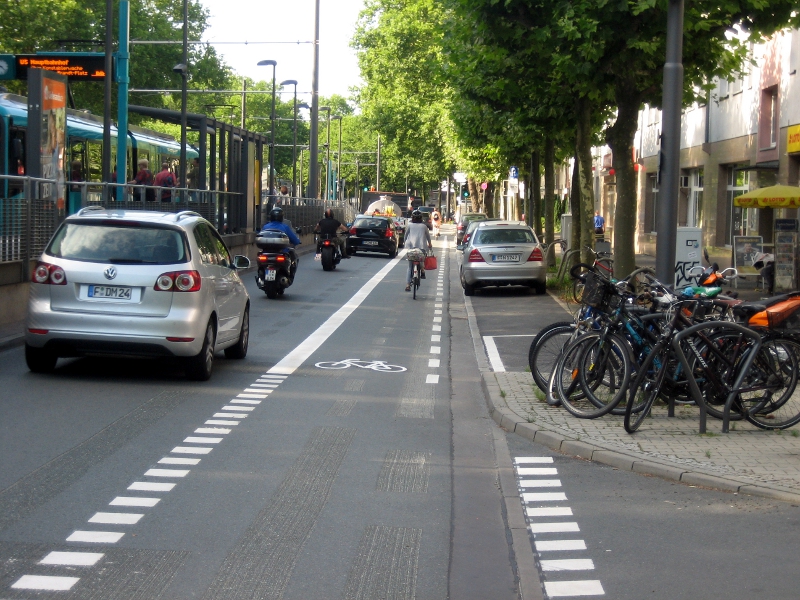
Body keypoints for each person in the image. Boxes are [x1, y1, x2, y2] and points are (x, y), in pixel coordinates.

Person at [404, 209, 432, 292]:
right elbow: (428, 237)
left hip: (411, 248)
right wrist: (430, 244)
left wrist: (404, 242)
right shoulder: (424, 226)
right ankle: (422, 270)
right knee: (422, 257)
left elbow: (406, 235)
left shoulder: (410, 225)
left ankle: (408, 285)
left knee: (409, 267)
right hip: (421, 247)